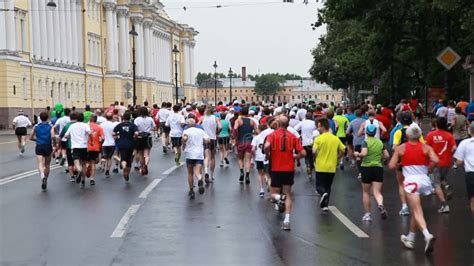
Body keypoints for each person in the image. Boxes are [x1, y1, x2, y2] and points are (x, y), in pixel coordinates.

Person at [389, 123, 438, 254]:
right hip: (424, 180)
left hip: (411, 181)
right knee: (416, 209)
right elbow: (436, 159)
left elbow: (391, 165)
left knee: (416, 210)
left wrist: (401, 162)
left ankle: (427, 235)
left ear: (407, 135)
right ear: (420, 135)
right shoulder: (426, 147)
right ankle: (410, 237)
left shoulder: (401, 148)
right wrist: (429, 168)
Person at [264, 115, 306, 230]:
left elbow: (266, 146)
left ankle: (279, 197)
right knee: (288, 194)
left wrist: (268, 154)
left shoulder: (272, 135)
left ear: (278, 124)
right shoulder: (292, 136)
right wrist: (295, 156)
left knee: (273, 195)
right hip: (288, 168)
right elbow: (303, 153)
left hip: (276, 168)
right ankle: (287, 220)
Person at [354, 124, 389, 221]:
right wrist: (378, 157)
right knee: (377, 192)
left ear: (366, 132)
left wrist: (358, 154)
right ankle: (380, 205)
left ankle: (368, 214)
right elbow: (386, 155)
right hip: (378, 167)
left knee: (366, 192)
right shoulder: (380, 142)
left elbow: (364, 153)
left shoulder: (365, 142)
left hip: (366, 168)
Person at [392, 111, 422, 216]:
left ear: (399, 120)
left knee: (401, 184)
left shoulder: (398, 132)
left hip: (401, 162)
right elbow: (423, 145)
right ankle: (415, 205)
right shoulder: (417, 132)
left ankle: (404, 207)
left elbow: (394, 147)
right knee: (414, 183)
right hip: (415, 162)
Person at [313, 118, 345, 211]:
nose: (318, 129)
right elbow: (343, 149)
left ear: (322, 127)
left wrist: (315, 156)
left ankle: (322, 194)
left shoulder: (318, 139)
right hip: (332, 166)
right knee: (328, 186)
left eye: (318, 127)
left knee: (319, 186)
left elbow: (314, 151)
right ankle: (325, 206)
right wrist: (338, 157)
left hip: (320, 166)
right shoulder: (335, 138)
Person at [426, 117, 456, 213]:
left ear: (436, 125)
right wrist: (450, 153)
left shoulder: (431, 135)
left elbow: (426, 149)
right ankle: (446, 185)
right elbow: (454, 148)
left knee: (436, 184)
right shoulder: (449, 135)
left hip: (435, 163)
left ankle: (445, 205)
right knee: (441, 178)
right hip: (447, 162)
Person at [453, 122, 474, 245]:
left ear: (469, 131)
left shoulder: (465, 143)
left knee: (473, 201)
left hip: (471, 175)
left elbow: (459, 162)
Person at [182, 118, 209, 199]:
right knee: (197, 172)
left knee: (190, 173)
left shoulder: (186, 131)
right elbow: (208, 140)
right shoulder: (200, 131)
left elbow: (184, 138)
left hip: (189, 154)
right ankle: (200, 179)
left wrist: (184, 142)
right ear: (195, 124)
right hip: (199, 154)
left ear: (188, 125)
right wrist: (204, 142)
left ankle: (191, 190)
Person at [64, 112, 91, 189]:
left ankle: (79, 170)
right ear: (83, 119)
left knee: (76, 161)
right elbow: (89, 133)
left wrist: (70, 137)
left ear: (76, 118)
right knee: (84, 163)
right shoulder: (86, 125)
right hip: (84, 146)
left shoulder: (72, 126)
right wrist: (90, 139)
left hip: (75, 147)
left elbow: (65, 136)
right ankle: (83, 180)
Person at [30, 112, 54, 191]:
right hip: (48, 146)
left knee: (40, 163)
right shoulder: (51, 126)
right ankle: (45, 180)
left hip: (39, 146)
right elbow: (52, 136)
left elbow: (31, 137)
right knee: (47, 164)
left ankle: (42, 176)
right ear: (47, 118)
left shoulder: (36, 126)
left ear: (40, 117)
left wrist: (38, 140)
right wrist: (54, 144)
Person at [113, 112, 139, 183]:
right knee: (129, 159)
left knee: (123, 157)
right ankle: (127, 173)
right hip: (130, 144)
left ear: (123, 118)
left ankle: (124, 167)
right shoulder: (133, 125)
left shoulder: (119, 125)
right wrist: (135, 137)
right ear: (129, 118)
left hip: (121, 143)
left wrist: (116, 138)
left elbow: (113, 133)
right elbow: (136, 133)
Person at [234, 106, 257, 184]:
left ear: (240, 113)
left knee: (240, 158)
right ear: (247, 113)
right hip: (249, 142)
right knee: (248, 160)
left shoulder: (238, 121)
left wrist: (235, 137)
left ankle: (241, 172)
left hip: (240, 142)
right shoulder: (252, 121)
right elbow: (257, 131)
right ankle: (247, 175)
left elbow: (235, 129)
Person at [295, 112, 318, 179]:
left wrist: (300, 134)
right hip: (313, 142)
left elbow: (295, 129)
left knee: (306, 156)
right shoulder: (314, 123)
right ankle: (312, 165)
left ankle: (308, 166)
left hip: (304, 143)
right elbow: (317, 131)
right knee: (313, 155)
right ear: (312, 117)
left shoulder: (302, 123)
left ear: (305, 117)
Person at [252, 123, 273, 198]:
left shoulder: (256, 137)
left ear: (260, 130)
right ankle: (270, 189)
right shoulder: (270, 137)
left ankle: (261, 190)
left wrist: (254, 155)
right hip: (268, 157)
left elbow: (253, 149)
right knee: (269, 174)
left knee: (260, 174)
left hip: (259, 158)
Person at [201, 107, 222, 183]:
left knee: (206, 156)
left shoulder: (202, 118)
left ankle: (206, 171)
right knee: (212, 157)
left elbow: (197, 125)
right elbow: (220, 127)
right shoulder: (216, 118)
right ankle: (211, 176)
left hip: (205, 139)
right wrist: (217, 133)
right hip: (213, 138)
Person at [134, 107, 155, 176]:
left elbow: (135, 128)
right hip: (148, 137)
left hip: (139, 137)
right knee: (147, 154)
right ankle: (146, 165)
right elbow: (154, 127)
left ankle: (142, 166)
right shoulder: (150, 119)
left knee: (140, 154)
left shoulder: (137, 119)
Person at [346, 109, 366, 176]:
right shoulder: (366, 121)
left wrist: (353, 134)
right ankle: (365, 170)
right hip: (365, 141)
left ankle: (360, 172)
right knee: (365, 156)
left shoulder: (352, 122)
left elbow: (347, 132)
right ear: (362, 114)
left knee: (358, 156)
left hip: (356, 141)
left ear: (355, 115)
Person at [85, 115, 104, 186]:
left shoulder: (85, 126)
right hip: (95, 147)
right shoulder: (99, 127)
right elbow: (103, 138)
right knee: (93, 163)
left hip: (86, 147)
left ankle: (87, 167)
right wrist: (100, 144)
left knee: (86, 162)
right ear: (96, 120)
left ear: (90, 119)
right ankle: (92, 179)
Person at [100, 112, 119, 177]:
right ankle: (107, 171)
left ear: (105, 117)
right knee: (109, 158)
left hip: (104, 143)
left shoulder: (101, 124)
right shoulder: (113, 125)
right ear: (112, 117)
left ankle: (103, 164)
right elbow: (116, 134)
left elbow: (100, 134)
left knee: (104, 157)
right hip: (112, 143)